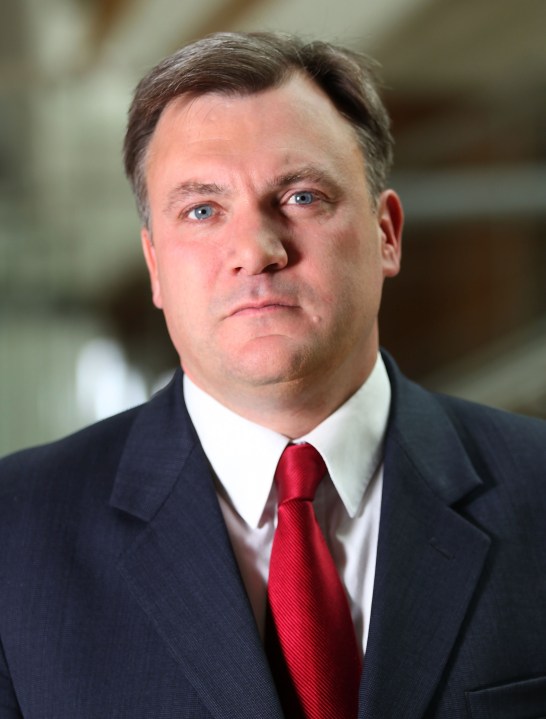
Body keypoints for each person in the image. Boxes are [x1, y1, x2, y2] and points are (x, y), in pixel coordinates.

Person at [0, 31, 545, 719]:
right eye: (202, 210)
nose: (256, 250)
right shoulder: (13, 534)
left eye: (302, 197)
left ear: (386, 233)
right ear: (156, 266)